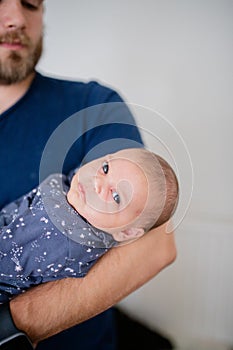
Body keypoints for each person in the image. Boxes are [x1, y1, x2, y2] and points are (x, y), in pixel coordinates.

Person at [0, 0, 177, 349]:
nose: (18, 18)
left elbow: (155, 244)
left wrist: (11, 326)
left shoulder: (92, 107)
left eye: (31, 3)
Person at [0, 148, 179, 303]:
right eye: (106, 168)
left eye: (116, 196)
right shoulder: (83, 202)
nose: (97, 182)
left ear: (127, 232)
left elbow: (5, 260)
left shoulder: (65, 237)